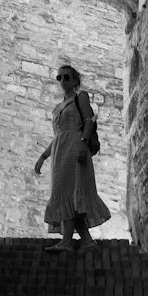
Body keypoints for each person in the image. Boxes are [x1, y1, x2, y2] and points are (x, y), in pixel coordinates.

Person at [34, 63, 110, 252]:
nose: (62, 80)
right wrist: (43, 156)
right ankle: (87, 242)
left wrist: (83, 143)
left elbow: (88, 121)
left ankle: (67, 242)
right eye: (59, 77)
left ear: (75, 81)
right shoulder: (58, 107)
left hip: (76, 147)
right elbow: (58, 136)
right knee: (65, 193)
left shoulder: (80, 97)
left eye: (67, 77)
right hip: (61, 152)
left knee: (72, 192)